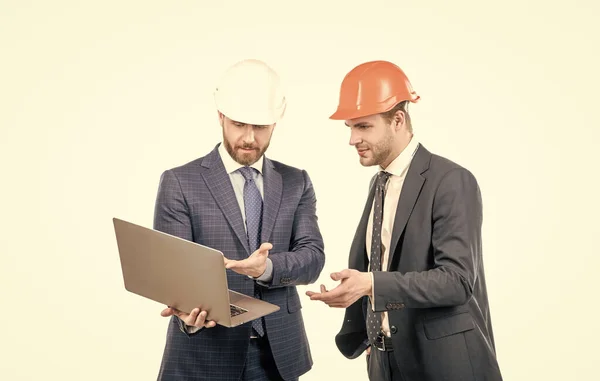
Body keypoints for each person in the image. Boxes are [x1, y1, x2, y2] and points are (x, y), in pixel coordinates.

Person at [306, 60, 503, 381]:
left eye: (364, 127)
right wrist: (361, 301)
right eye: (350, 128)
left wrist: (370, 284)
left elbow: (457, 282)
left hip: (443, 365)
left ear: (398, 120)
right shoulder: (379, 183)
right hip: (385, 361)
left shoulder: (451, 180)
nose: (352, 139)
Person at [153, 59, 326, 381]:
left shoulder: (296, 181)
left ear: (276, 122)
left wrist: (267, 268)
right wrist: (188, 316)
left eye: (260, 127)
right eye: (239, 124)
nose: (249, 138)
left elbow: (312, 258)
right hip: (205, 352)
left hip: (278, 355)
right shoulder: (180, 181)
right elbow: (172, 273)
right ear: (221, 116)